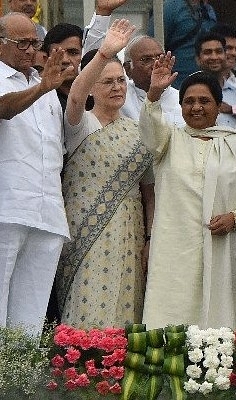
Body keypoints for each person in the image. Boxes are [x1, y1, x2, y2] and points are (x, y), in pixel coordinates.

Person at [140, 63, 236, 330]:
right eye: (189, 101)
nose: (196, 107)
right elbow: (149, 131)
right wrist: (153, 95)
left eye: (205, 101)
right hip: (175, 249)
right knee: (172, 318)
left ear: (219, 106)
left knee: (222, 321)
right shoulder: (168, 140)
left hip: (223, 246)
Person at [56, 19, 154, 329]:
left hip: (132, 229)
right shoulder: (80, 124)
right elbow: (74, 95)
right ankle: (80, 372)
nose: (116, 87)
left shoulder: (139, 132)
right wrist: (104, 53)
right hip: (86, 229)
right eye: (107, 81)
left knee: (128, 307)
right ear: (92, 87)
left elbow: (149, 190)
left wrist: (150, 238)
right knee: (86, 303)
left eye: (121, 80)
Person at [0, 12, 72, 337]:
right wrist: (44, 87)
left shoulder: (45, 83)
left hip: (48, 214)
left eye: (35, 43)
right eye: (22, 43)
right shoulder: (36, 84)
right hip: (8, 209)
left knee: (29, 321)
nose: (31, 50)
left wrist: (45, 86)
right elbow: (4, 108)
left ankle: (19, 383)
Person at [82, 0, 185, 126]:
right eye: (146, 59)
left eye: (159, 58)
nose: (155, 64)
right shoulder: (120, 95)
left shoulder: (183, 99)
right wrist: (102, 14)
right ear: (128, 69)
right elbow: (92, 64)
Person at [150, 0, 217, 89]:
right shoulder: (170, 8)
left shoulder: (209, 10)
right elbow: (152, 45)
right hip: (177, 84)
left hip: (206, 83)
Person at [195, 31, 236, 128]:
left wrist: (232, 109)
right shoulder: (188, 93)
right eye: (208, 52)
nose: (214, 57)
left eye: (219, 51)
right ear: (198, 58)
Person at [41, 23, 83, 111]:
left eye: (73, 53)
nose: (65, 60)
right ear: (46, 60)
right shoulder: (41, 101)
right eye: (58, 54)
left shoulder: (97, 97)